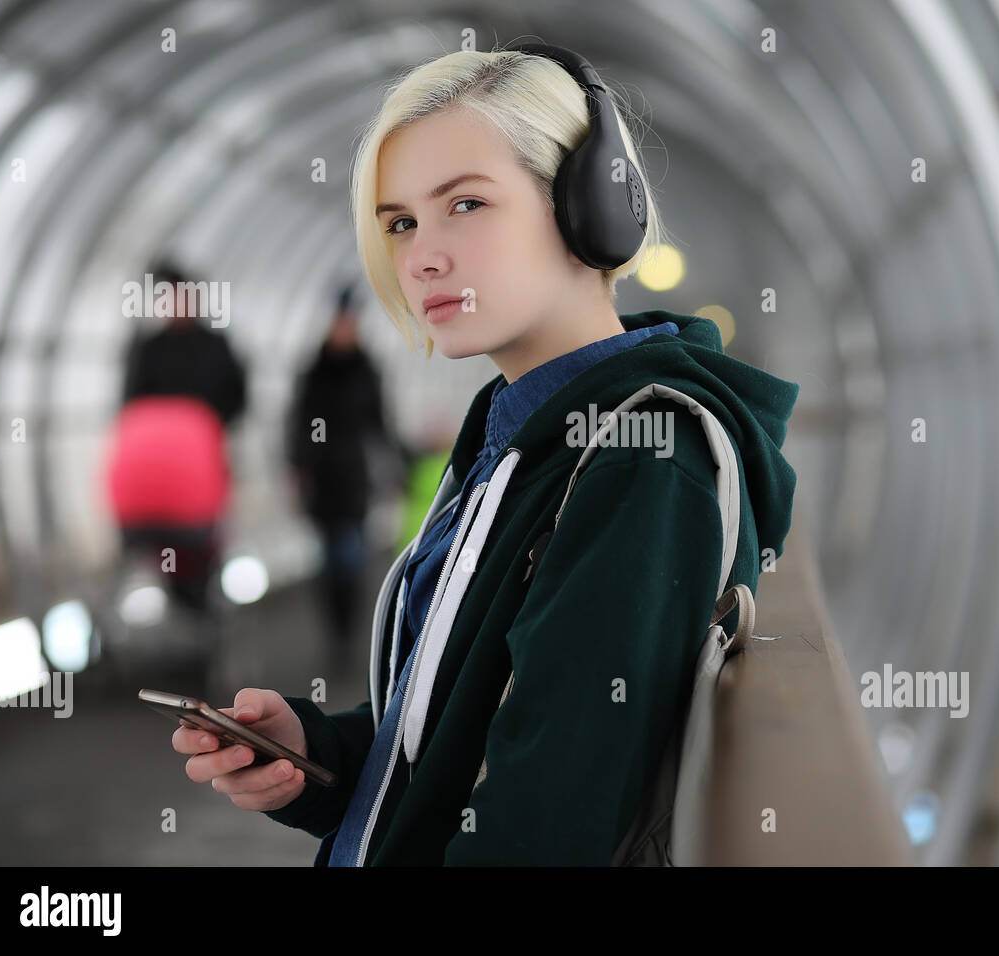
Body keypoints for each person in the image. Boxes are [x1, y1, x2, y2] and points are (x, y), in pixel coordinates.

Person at [169, 43, 799, 865]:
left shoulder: (637, 462)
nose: (422, 255)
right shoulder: (516, 432)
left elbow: (539, 827)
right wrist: (319, 757)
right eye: (399, 223)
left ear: (591, 208)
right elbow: (465, 736)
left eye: (465, 205)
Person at [111, 261, 247, 613]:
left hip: (202, 469)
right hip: (159, 475)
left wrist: (202, 429)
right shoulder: (149, 350)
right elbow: (131, 409)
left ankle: (200, 607)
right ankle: (180, 609)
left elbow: (236, 398)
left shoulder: (214, 347)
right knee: (162, 548)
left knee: (201, 548)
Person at [286, 285, 392, 652]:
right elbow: (298, 425)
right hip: (323, 481)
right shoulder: (315, 373)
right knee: (330, 559)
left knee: (350, 557)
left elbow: (381, 426)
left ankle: (346, 633)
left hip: (354, 481)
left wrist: (393, 466)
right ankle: (336, 632)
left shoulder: (366, 371)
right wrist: (298, 467)